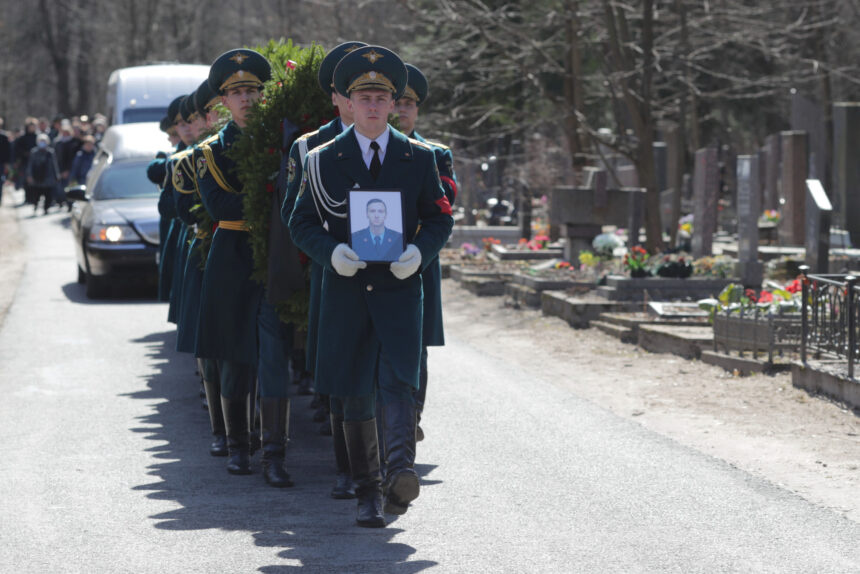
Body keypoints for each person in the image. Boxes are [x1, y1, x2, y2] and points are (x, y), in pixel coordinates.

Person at [289, 45, 454, 527]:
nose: (376, 106)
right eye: (365, 97)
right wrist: (330, 253)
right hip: (346, 291)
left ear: (393, 102)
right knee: (356, 392)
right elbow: (298, 222)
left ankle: (400, 471)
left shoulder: (419, 158)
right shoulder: (321, 160)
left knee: (399, 382)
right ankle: (367, 492)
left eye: (384, 97)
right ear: (346, 103)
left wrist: (420, 253)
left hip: (401, 290)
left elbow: (439, 219)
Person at [196, 49, 287, 481]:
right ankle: (239, 446)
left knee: (273, 355)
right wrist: (270, 199)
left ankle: (274, 453)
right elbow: (221, 204)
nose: (247, 98)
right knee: (234, 355)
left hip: (276, 256)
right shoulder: (211, 152)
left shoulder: (286, 142)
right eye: (237, 93)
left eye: (253, 90)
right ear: (224, 102)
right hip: (232, 256)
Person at [280, 41, 367, 439]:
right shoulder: (309, 145)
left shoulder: (401, 147)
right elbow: (292, 215)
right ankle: (348, 463)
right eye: (348, 90)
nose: (358, 99)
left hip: (386, 272)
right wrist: (331, 251)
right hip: (334, 268)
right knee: (335, 363)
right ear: (335, 97)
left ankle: (385, 453)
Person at [396, 63, 459, 441]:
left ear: (417, 109)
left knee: (416, 345)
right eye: (396, 102)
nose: (401, 110)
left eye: (408, 103)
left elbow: (445, 202)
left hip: (419, 257)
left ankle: (412, 416)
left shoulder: (435, 154)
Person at [27, 133, 61, 215]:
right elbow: (30, 165)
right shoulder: (34, 152)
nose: (42, 143)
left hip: (48, 177)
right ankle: (35, 206)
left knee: (48, 195)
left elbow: (54, 164)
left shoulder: (50, 152)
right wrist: (29, 175)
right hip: (37, 177)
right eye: (41, 141)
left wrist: (57, 175)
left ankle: (46, 208)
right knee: (37, 194)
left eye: (44, 141)